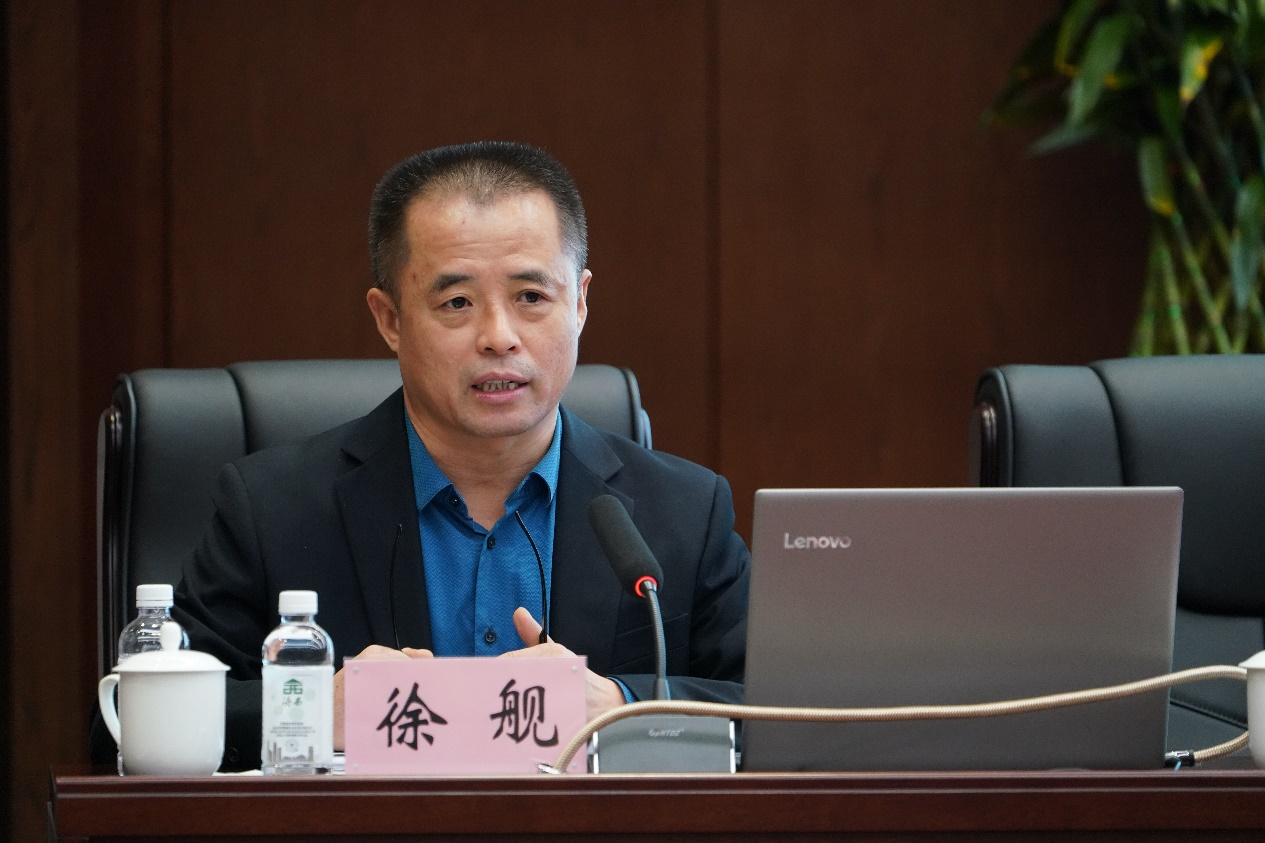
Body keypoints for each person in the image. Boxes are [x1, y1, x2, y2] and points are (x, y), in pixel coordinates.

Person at [142, 142, 748, 770]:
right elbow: (126, 722)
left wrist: (623, 707)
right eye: (457, 303)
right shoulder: (272, 510)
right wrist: (310, 707)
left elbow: (784, 713)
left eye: (531, 297)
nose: (499, 337)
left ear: (580, 303)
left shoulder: (684, 512)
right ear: (390, 319)